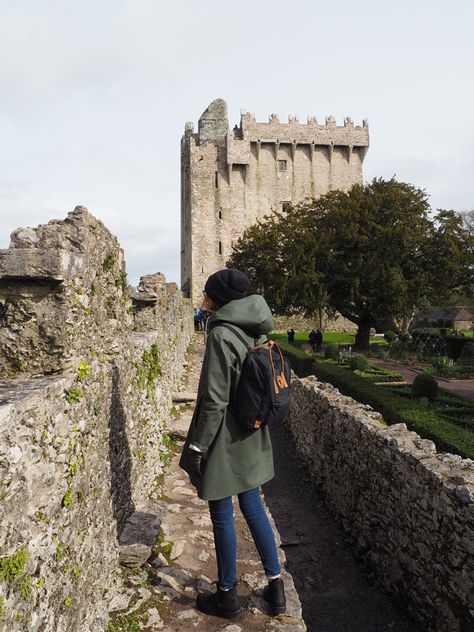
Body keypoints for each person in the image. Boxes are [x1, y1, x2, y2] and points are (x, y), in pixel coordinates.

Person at [179, 268, 286, 620]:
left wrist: (196, 447)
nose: (204, 298)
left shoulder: (222, 333)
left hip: (225, 436)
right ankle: (276, 587)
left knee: (222, 514)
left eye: (208, 293)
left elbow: (214, 399)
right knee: (253, 507)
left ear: (218, 298)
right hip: (252, 429)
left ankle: (226, 594)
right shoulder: (256, 326)